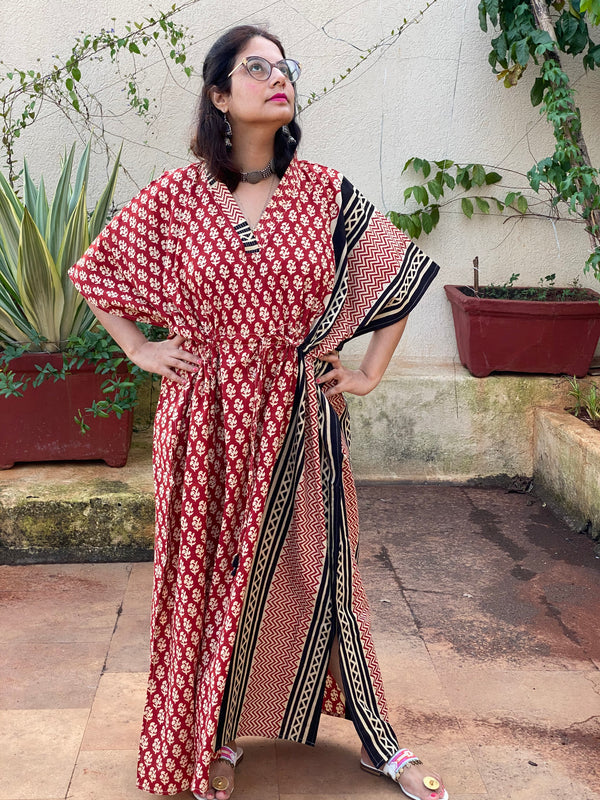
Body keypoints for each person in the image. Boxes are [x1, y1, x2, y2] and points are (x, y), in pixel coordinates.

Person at [69, 24, 447, 800]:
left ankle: (378, 737)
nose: (279, 78)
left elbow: (399, 269)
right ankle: (215, 733)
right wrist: (140, 351)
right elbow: (94, 271)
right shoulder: (176, 197)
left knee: (322, 568)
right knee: (208, 578)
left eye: (286, 68)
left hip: (301, 418)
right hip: (203, 419)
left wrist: (369, 371)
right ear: (219, 95)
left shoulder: (325, 192)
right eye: (257, 67)